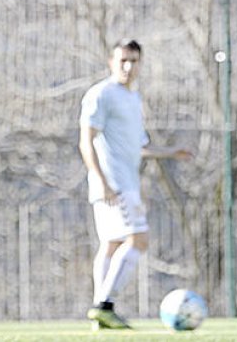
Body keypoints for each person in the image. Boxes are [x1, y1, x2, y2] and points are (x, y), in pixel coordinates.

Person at [79, 39, 191, 330]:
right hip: (113, 184)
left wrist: (170, 153)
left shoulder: (132, 97)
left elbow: (138, 146)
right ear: (111, 62)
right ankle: (103, 304)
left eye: (134, 61)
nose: (128, 67)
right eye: (123, 61)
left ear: (140, 63)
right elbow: (85, 140)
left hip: (124, 182)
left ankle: (100, 314)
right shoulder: (101, 94)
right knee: (139, 240)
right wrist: (101, 181)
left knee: (111, 244)